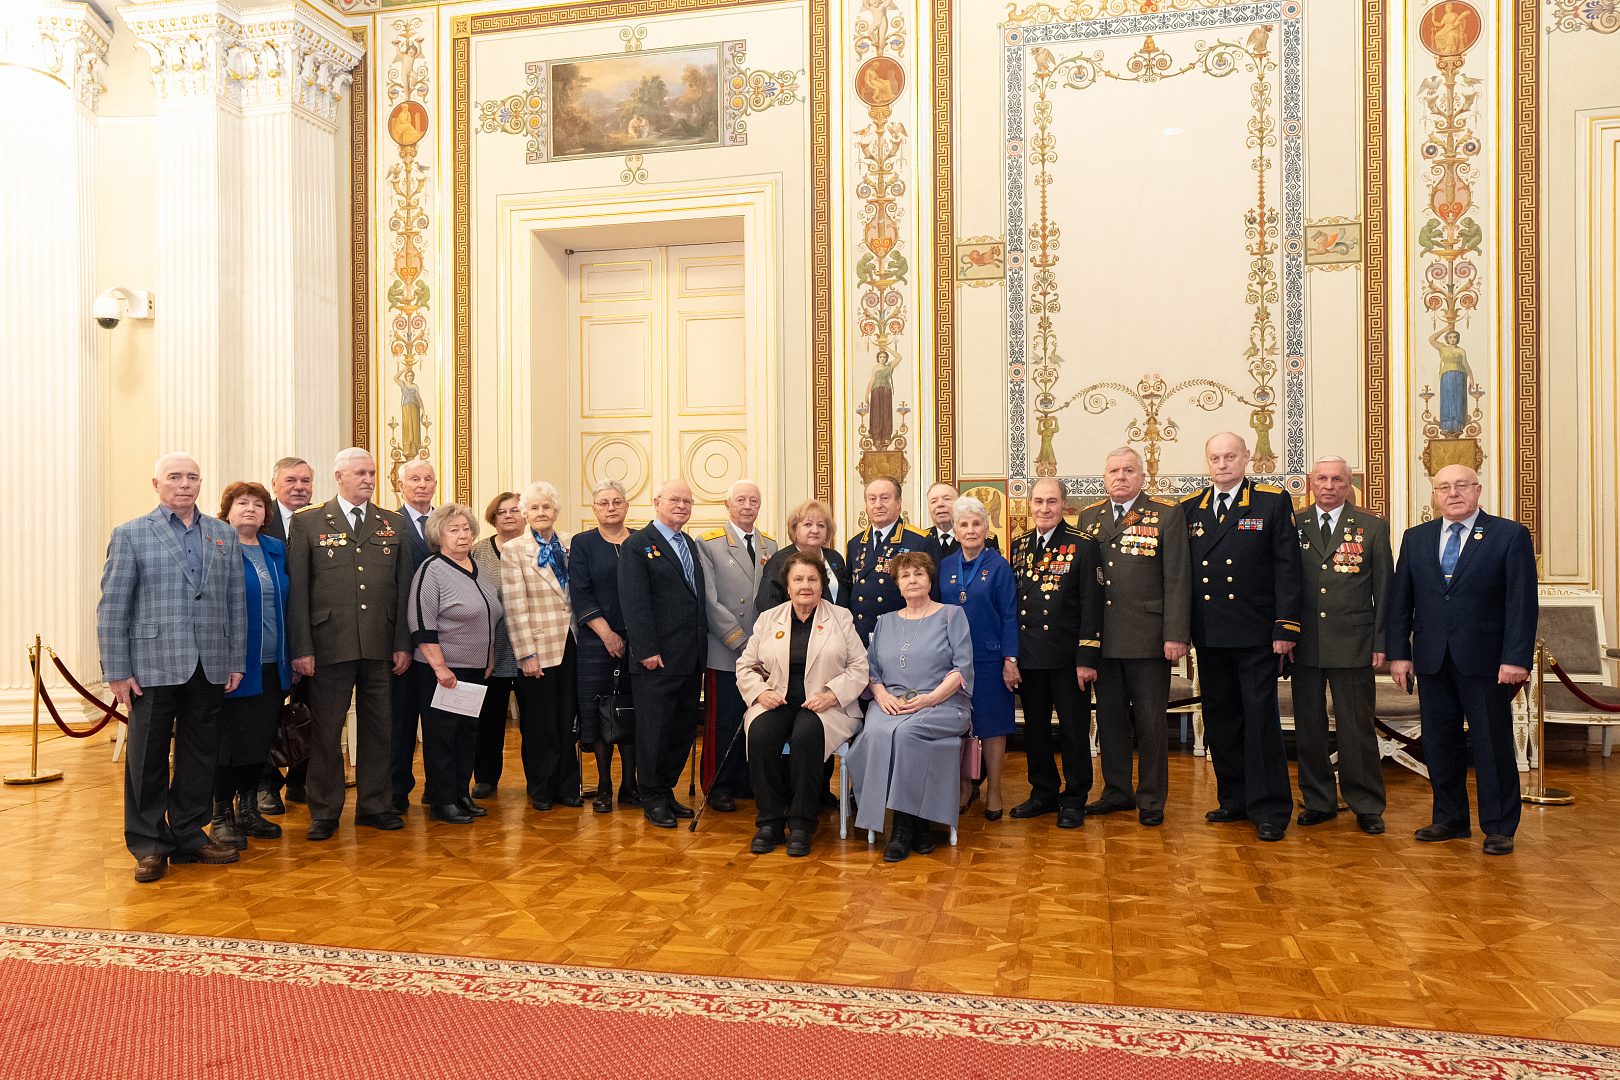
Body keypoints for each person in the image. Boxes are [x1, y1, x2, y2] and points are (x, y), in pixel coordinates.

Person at [97, 452, 245, 883]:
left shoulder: (223, 534)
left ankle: (188, 834)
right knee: (147, 757)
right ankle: (148, 844)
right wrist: (117, 669)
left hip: (210, 662)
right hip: (151, 665)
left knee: (201, 754)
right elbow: (113, 607)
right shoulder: (130, 535)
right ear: (156, 484)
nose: (185, 484)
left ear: (201, 484)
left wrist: (235, 658)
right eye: (175, 477)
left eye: (193, 477)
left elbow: (235, 602)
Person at [1387, 464, 1537, 855]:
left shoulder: (1508, 535)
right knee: (1439, 743)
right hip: (1432, 659)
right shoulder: (1416, 538)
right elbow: (1400, 602)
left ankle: (1500, 826)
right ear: (1434, 494)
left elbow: (1522, 603)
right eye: (1444, 487)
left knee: (1491, 743)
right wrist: (1399, 654)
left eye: (1461, 486)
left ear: (1478, 490)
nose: (1453, 493)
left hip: (1488, 662)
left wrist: (1516, 658)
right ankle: (1450, 819)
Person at [285, 447, 413, 841]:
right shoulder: (309, 523)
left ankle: (375, 806)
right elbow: (299, 593)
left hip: (380, 643)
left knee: (380, 728)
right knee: (326, 731)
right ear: (338, 476)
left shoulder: (392, 523)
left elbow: (403, 587)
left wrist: (402, 643)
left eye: (372, 473)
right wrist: (301, 648)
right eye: (360, 472)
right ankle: (324, 811)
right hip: (328, 645)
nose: (369, 479)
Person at [1181, 432, 1302, 842]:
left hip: (1255, 634)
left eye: (1230, 456)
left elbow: (1287, 567)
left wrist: (1285, 626)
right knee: (1221, 719)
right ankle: (1233, 798)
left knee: (1260, 720)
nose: (1222, 464)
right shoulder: (1190, 509)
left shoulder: (1271, 501)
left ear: (1247, 458)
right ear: (1207, 462)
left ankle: (1269, 808)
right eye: (1215, 457)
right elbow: (1182, 578)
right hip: (1211, 634)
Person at [1074, 447, 1191, 827]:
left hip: (1147, 638)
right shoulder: (1090, 517)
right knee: (1109, 720)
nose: (1120, 477)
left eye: (1128, 470)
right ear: (1103, 477)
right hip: (1103, 640)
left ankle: (1152, 798)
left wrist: (1175, 634)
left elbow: (1177, 580)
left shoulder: (1166, 515)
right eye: (1113, 471)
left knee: (1151, 721)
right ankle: (1117, 791)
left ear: (1142, 477)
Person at [735, 550, 869, 857]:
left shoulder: (840, 617)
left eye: (812, 579)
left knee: (807, 735)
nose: (805, 585)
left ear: (822, 585)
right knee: (761, 733)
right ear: (788, 585)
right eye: (798, 579)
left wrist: (832, 694)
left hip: (826, 705)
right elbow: (746, 665)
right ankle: (769, 821)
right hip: (777, 700)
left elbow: (860, 667)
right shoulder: (770, 619)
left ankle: (800, 823)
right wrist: (759, 694)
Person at [846, 552, 974, 862]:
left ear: (930, 579)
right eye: (905, 576)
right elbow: (871, 671)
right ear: (898, 585)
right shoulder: (885, 621)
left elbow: (962, 668)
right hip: (891, 702)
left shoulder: (951, 615)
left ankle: (904, 827)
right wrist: (880, 695)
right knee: (874, 735)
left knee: (906, 734)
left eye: (918, 573)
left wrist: (930, 699)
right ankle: (918, 826)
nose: (912, 579)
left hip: (942, 703)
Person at [1293, 456, 1393, 835]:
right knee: (1309, 726)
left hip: (1355, 641)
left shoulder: (1371, 526)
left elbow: (1384, 590)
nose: (1329, 485)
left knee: (1356, 726)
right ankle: (1318, 800)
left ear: (1350, 484)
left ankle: (1366, 803)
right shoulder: (1293, 525)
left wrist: (1381, 640)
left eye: (1337, 479)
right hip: (1303, 643)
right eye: (1322, 478)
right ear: (1310, 483)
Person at [1008, 477, 1104, 829]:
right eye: (1038, 502)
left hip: (1067, 659)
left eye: (1051, 501)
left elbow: (1092, 606)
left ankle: (1075, 797)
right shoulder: (1019, 546)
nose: (1044, 508)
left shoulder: (1082, 545)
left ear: (1065, 505)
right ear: (1029, 506)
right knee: (1034, 729)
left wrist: (1087, 658)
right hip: (1030, 657)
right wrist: (1012, 658)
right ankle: (1043, 791)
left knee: (1074, 731)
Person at [618, 478, 709, 828]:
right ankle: (652, 796)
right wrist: (646, 650)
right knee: (654, 731)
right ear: (656, 502)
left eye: (687, 501)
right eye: (674, 500)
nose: (682, 506)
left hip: (690, 656)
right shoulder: (638, 544)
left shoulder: (687, 542)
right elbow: (635, 602)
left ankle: (667, 790)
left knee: (681, 729)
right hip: (656, 659)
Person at [409, 505, 504, 824]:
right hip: (443, 671)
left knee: (466, 735)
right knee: (442, 737)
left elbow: (490, 615)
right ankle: (442, 800)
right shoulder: (431, 569)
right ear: (438, 536)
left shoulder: (477, 566)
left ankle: (461, 794)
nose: (462, 534)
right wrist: (440, 668)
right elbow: (421, 623)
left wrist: (489, 656)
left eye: (466, 528)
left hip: (476, 670)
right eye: (454, 529)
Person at [210, 481, 292, 850]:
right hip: (234, 666)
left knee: (259, 741)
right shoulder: (217, 548)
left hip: (274, 663)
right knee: (229, 742)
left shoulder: (275, 549)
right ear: (226, 512)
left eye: (258, 505)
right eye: (241, 503)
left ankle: (248, 809)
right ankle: (220, 815)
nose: (250, 510)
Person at [695, 480, 778, 812]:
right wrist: (741, 643)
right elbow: (710, 603)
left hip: (761, 652)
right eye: (740, 500)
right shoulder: (709, 543)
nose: (747, 506)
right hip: (726, 649)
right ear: (727, 505)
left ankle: (746, 780)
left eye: (753, 500)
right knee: (723, 720)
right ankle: (717, 785)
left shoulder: (770, 544)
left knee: (753, 719)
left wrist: (762, 647)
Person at [500, 481, 582, 812]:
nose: (541, 513)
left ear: (556, 511)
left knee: (567, 718)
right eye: (534, 508)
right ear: (524, 514)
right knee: (539, 721)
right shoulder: (514, 550)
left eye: (546, 507)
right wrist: (526, 654)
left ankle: (567, 785)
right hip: (537, 646)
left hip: (572, 642)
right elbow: (514, 605)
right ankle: (542, 787)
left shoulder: (570, 543)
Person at [940, 496, 1018, 820]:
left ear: (986, 528)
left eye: (976, 523)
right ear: (955, 531)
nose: (970, 530)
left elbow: (1010, 615)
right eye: (964, 524)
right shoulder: (945, 567)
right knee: (956, 724)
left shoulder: (999, 566)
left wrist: (1010, 661)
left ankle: (995, 789)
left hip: (990, 659)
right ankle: (964, 787)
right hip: (952, 661)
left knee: (992, 726)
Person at [570, 481, 640, 813]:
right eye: (603, 503)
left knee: (631, 712)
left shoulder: (642, 541)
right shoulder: (583, 543)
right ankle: (604, 787)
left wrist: (633, 636)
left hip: (638, 643)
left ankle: (630, 785)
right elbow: (580, 594)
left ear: (626, 505)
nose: (611, 507)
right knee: (598, 715)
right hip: (596, 643)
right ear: (594, 509)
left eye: (616, 501)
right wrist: (608, 635)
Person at [257, 455, 315, 814]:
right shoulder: (259, 522)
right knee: (265, 714)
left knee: (310, 712)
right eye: (291, 480)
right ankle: (266, 785)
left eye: (306, 481)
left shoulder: (322, 521)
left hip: (313, 636)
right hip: (270, 638)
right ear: (275, 484)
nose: (299, 487)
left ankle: (301, 780)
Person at [470, 491, 525, 799]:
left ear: (526, 515)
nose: (508, 516)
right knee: (488, 720)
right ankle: (486, 778)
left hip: (531, 651)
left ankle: (539, 779)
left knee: (534, 722)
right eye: (501, 511)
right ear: (493, 517)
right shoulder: (479, 551)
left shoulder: (537, 549)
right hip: (493, 650)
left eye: (515, 510)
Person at [390, 458, 437, 814]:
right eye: (414, 479)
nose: (422, 485)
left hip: (445, 643)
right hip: (404, 640)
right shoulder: (388, 525)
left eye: (428, 479)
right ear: (400, 485)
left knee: (441, 722)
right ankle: (396, 793)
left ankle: (440, 790)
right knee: (401, 722)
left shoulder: (448, 523)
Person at [846, 476, 929, 644]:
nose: (878, 505)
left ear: (898, 503)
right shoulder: (855, 543)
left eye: (885, 498)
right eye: (872, 499)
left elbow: (932, 595)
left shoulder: (919, 541)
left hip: (902, 635)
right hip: (861, 637)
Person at [756, 499, 849, 611]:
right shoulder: (779, 561)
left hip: (839, 626)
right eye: (808, 524)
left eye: (821, 525)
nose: (815, 530)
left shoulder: (835, 558)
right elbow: (767, 607)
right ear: (794, 530)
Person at [921, 482, 999, 564]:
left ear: (959, 503)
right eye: (934, 501)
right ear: (928, 508)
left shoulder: (982, 538)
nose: (940, 504)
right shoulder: (922, 540)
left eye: (947, 499)